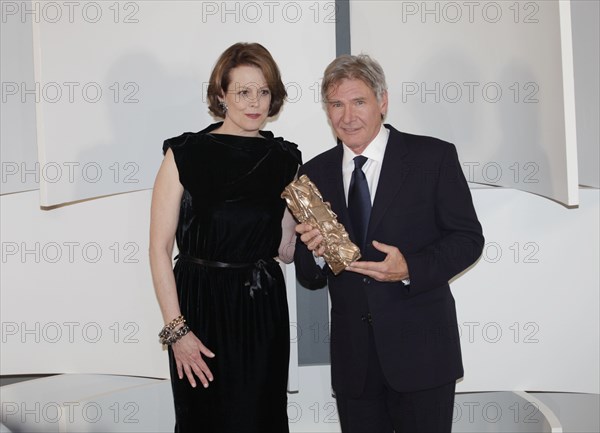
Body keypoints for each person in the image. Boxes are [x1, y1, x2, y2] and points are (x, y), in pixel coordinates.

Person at [294, 54, 484, 433]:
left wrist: (410, 267)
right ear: (327, 111)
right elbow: (308, 275)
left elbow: (468, 239)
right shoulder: (312, 173)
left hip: (423, 355)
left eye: (359, 101)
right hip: (355, 365)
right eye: (336, 104)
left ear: (383, 101)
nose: (348, 116)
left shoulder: (433, 157)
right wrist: (315, 254)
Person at [149, 42, 301, 432]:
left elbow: (284, 250)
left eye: (264, 91)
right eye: (243, 92)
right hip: (201, 309)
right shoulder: (185, 153)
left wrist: (309, 235)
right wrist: (177, 330)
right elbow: (159, 248)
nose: (255, 102)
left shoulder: (286, 158)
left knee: (261, 418)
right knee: (205, 420)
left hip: (262, 307)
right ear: (221, 95)